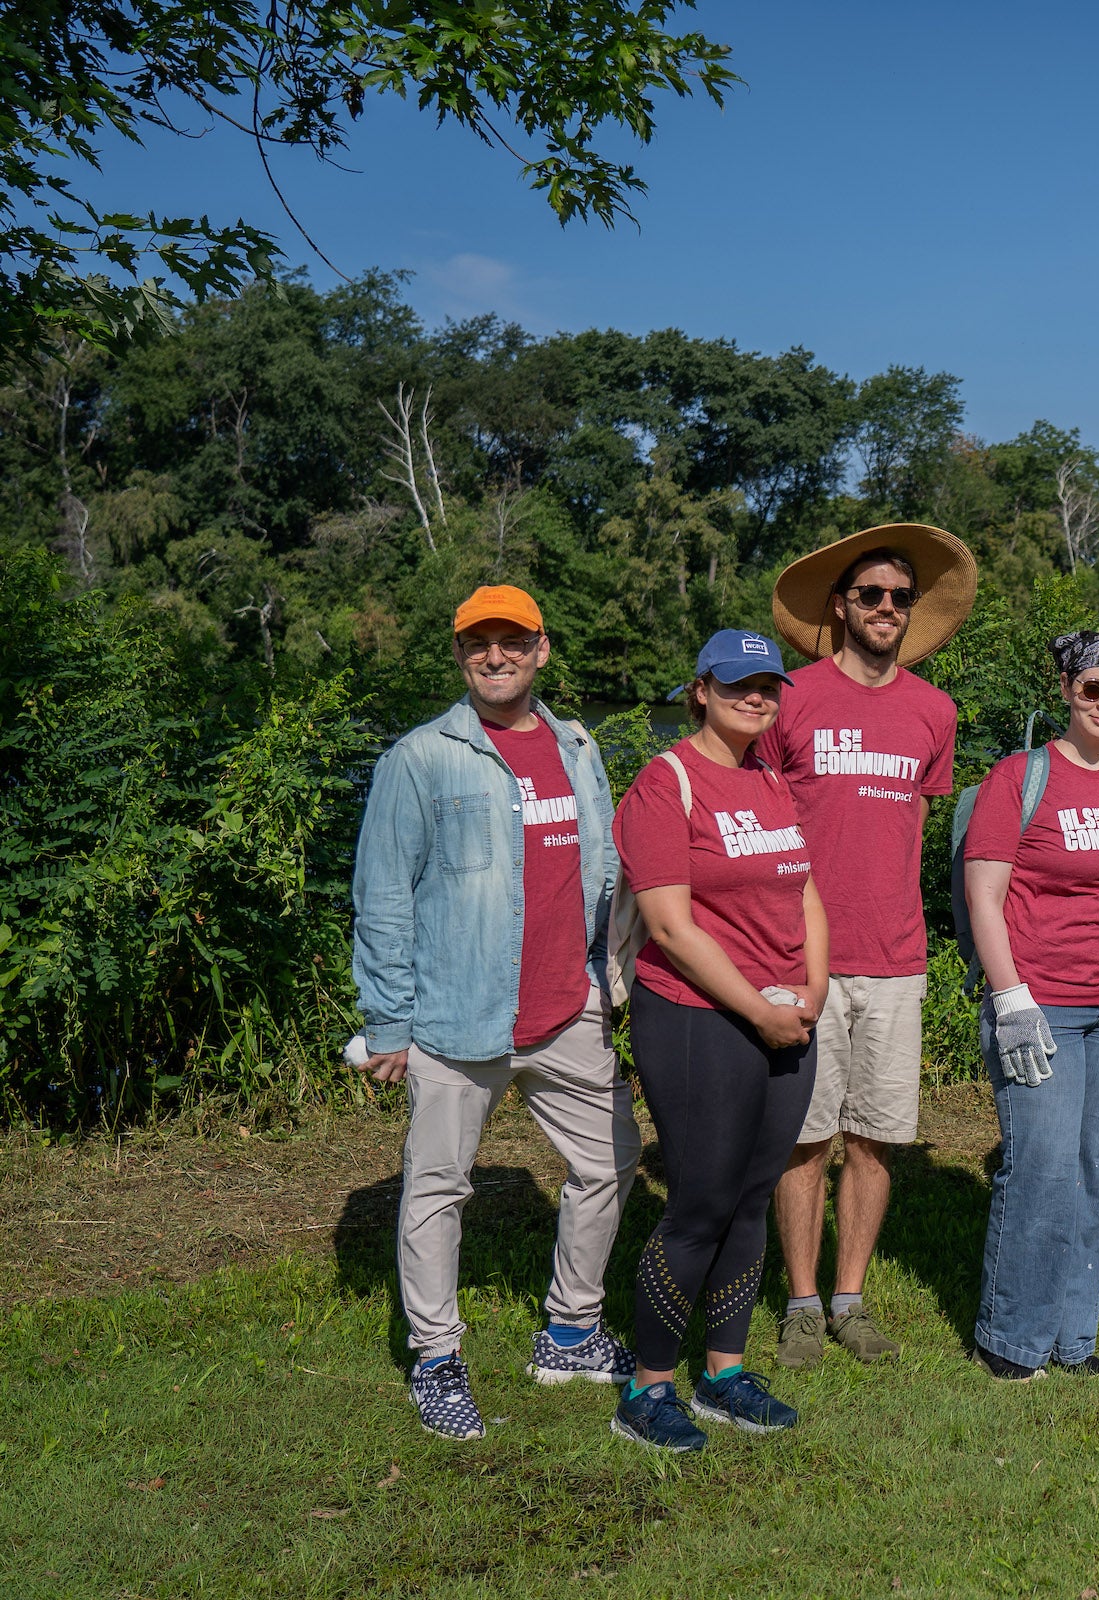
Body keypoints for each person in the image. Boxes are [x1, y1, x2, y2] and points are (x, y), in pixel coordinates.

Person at [351, 585, 639, 1441]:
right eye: (479, 643)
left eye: (512, 640)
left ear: (541, 649)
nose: (496, 656)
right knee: (439, 1187)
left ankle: (570, 1331)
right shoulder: (420, 758)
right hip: (455, 1015)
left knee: (615, 1162)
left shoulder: (579, 746)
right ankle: (436, 1358)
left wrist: (608, 982)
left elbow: (607, 873)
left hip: (568, 1010)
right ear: (461, 655)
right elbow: (382, 897)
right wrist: (389, 1021)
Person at [759, 524, 974, 1370]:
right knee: (804, 1141)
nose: (887, 609)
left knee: (876, 1139)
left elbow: (917, 827)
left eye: (900, 598)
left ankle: (852, 1301)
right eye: (871, 595)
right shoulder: (792, 697)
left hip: (896, 956)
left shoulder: (934, 709)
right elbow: (762, 819)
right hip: (798, 956)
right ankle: (802, 1304)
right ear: (842, 606)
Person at [610, 629, 831, 1451]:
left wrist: (812, 989)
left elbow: (805, 892)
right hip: (700, 1018)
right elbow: (669, 924)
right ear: (699, 688)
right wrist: (759, 1010)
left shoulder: (771, 780)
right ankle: (647, 1387)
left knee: (750, 1198)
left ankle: (724, 1374)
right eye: (738, 683)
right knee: (699, 1204)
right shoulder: (666, 784)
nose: (756, 697)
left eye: (768, 685)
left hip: (785, 1015)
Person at [960, 632, 1099, 1381]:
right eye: (1093, 689)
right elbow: (985, 896)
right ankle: (1011, 1338)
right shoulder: (1020, 777)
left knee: (1096, 1167)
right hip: (1040, 1002)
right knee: (1042, 1166)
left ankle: (1073, 1338)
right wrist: (1010, 997)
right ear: (1066, 689)